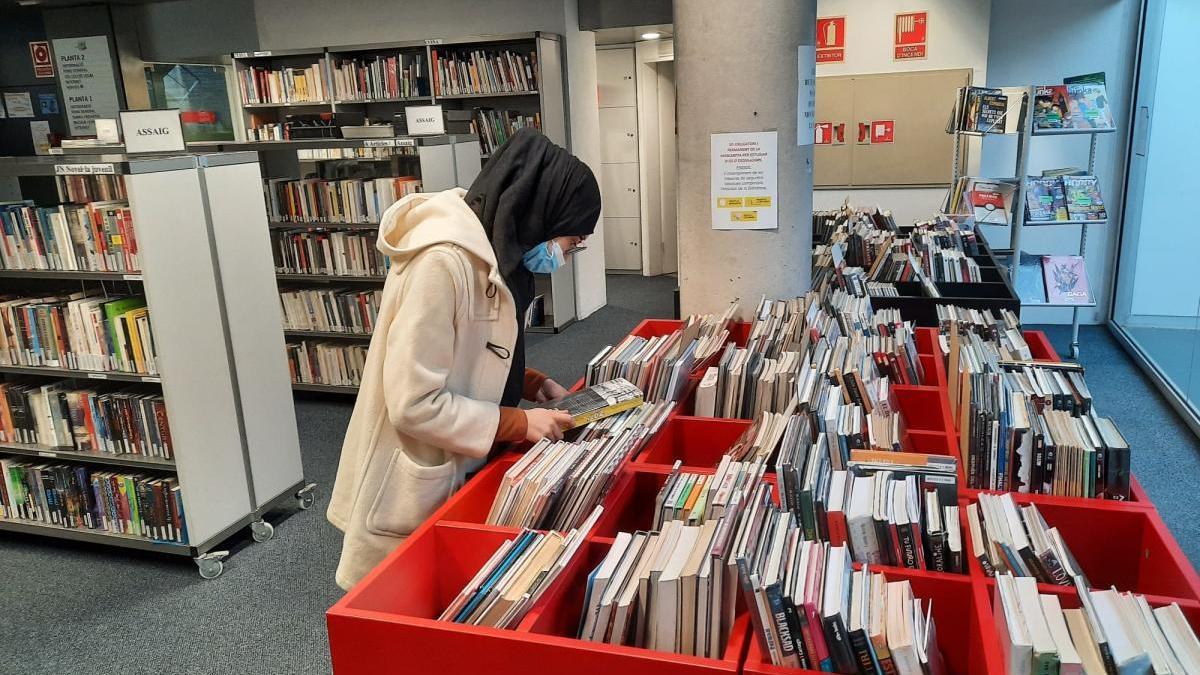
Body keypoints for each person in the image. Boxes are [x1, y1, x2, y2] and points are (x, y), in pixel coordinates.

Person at [327, 129, 601, 589]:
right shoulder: (443, 263)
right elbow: (415, 403)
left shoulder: (499, 254)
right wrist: (519, 423)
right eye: (571, 243)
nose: (567, 257)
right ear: (541, 214)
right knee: (407, 610)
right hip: (418, 465)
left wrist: (529, 382)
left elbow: (466, 351)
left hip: (462, 453)